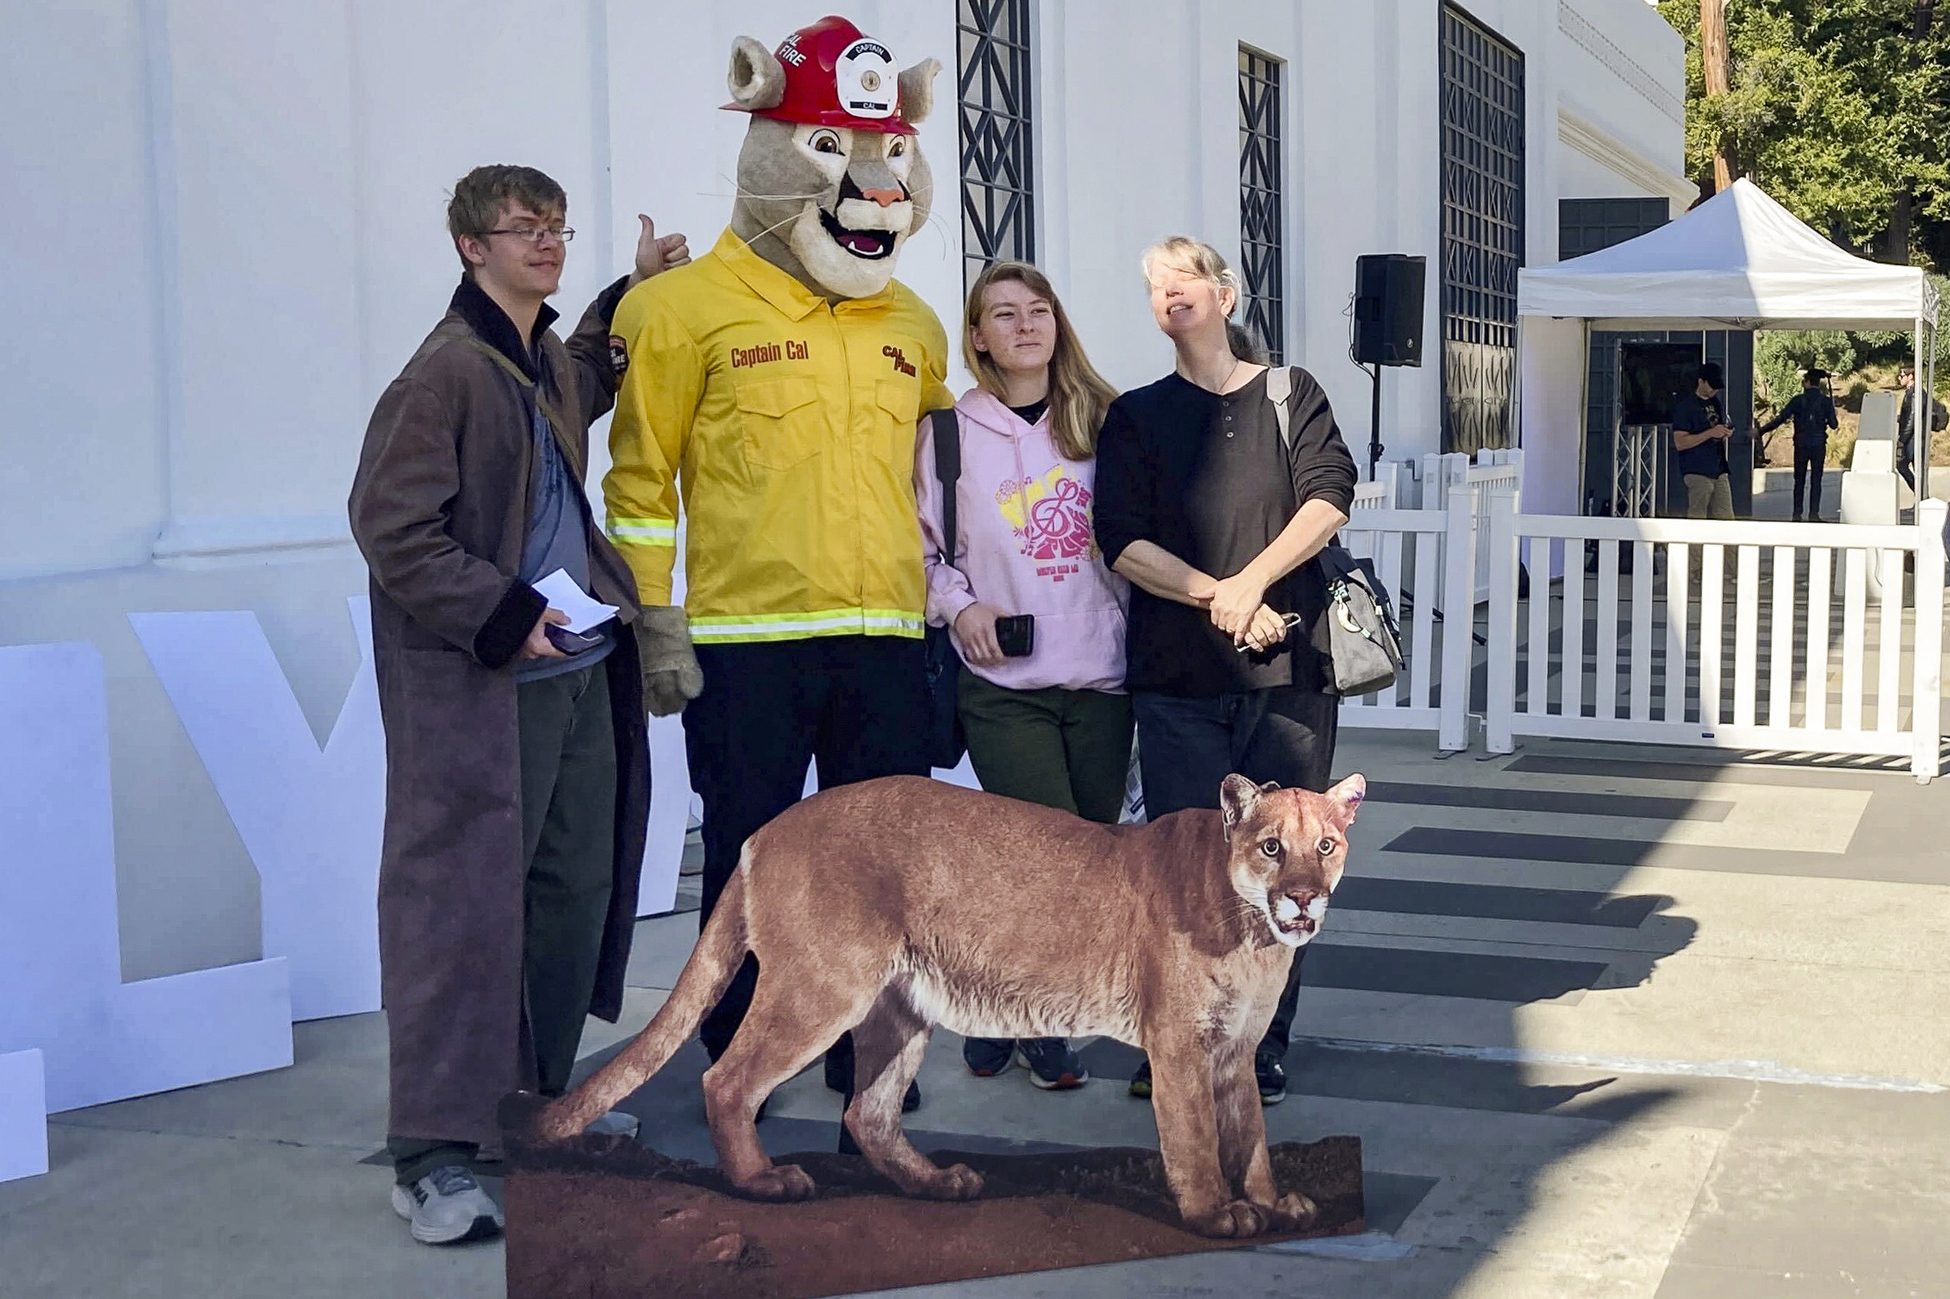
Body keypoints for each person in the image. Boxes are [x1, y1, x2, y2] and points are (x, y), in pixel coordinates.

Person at [601, 17, 954, 1119]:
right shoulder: (672, 311)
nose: (875, 188)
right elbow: (640, 482)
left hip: (887, 642)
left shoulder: (917, 323)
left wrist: (952, 613)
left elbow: (941, 488)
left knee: (889, 881)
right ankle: (739, 1069)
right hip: (747, 646)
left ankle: (872, 1071)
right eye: (833, 149)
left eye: (892, 154)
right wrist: (657, 622)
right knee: (754, 869)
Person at [348, 164, 686, 1245]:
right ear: (468, 247)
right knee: (457, 910)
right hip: (486, 683)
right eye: (522, 228)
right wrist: (500, 614)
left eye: (556, 226)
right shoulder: (441, 375)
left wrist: (626, 293)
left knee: (568, 892)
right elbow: (392, 528)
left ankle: (532, 1115)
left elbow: (587, 372)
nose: (546, 241)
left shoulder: (532, 354)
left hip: (574, 671)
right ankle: (433, 1158)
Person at [1093, 236, 1357, 1106]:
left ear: (1226, 293)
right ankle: (1173, 1036)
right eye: (1155, 284)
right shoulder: (1134, 415)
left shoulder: (1291, 393)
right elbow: (1121, 539)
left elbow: (1328, 497)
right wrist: (1217, 594)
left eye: (1186, 277)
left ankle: (1259, 1042)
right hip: (1176, 680)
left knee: (1289, 870)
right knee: (1182, 869)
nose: (1171, 291)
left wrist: (1252, 582)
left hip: (1287, 678)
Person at [914, 261, 1130, 1091]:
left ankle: (988, 1009)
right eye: (1003, 314)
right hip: (1004, 681)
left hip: (1103, 677)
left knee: (1088, 856)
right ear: (977, 336)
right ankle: (1044, 1026)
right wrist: (957, 605)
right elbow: (926, 548)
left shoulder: (1104, 422)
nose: (1024, 326)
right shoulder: (949, 433)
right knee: (1054, 858)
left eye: (1038, 311)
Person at [1757, 368, 1837, 521]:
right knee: (1816, 480)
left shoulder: (1797, 400)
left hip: (1801, 444)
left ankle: (1797, 514)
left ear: (1807, 382)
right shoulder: (1826, 402)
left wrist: (1761, 431)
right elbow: (1834, 425)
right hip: (1819, 444)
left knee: (1799, 480)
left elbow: (1780, 419)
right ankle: (1814, 514)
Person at [1673, 362, 1735, 520]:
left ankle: (1726, 545)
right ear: (1701, 381)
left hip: (1719, 468)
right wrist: (1709, 433)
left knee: (1726, 517)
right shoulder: (1685, 407)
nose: (1714, 390)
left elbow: (1717, 427)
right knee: (1698, 517)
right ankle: (1694, 546)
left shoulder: (1715, 402)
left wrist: (1724, 432)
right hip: (1697, 469)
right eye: (1711, 386)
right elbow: (1680, 442)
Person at [1896, 364, 1945, 494]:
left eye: (1902, 375)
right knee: (1916, 469)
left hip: (1914, 437)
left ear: (1910, 376)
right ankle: (1921, 497)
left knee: (1905, 466)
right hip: (1915, 436)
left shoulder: (1915, 393)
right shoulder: (1912, 392)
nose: (1899, 378)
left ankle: (1921, 496)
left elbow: (1913, 417)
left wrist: (1902, 439)